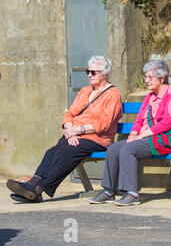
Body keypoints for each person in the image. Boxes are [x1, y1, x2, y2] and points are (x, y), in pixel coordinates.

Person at [6, 56, 123, 203]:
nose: (89, 75)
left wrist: (78, 130)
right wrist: (69, 131)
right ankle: (31, 184)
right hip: (74, 134)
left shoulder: (113, 95)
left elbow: (104, 124)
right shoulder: (85, 91)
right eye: (88, 71)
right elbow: (70, 114)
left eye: (94, 72)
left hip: (97, 139)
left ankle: (37, 190)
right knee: (51, 152)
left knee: (64, 152)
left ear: (105, 74)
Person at [88, 59, 171, 206]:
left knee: (128, 149)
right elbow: (139, 120)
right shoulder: (149, 97)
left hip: (168, 138)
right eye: (145, 77)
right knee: (114, 148)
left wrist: (145, 133)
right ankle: (109, 191)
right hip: (148, 138)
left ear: (161, 78)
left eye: (150, 77)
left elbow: (169, 122)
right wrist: (133, 134)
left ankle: (132, 194)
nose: (146, 81)